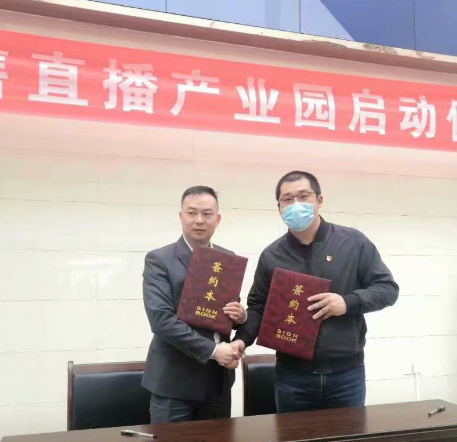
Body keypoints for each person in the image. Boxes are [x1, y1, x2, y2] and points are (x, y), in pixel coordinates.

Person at [232, 170, 399, 412]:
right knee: (293, 433)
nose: (295, 204)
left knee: (348, 433)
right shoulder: (271, 255)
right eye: (287, 199)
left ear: (319, 200)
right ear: (279, 207)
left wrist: (347, 303)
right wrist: (241, 340)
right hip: (292, 376)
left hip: (346, 374)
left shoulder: (353, 242)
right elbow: (258, 307)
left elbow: (387, 289)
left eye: (303, 196)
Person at [142, 185, 246, 423]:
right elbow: (160, 319)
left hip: (218, 381)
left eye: (207, 214)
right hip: (174, 382)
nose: (199, 220)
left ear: (217, 219)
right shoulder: (160, 259)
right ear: (181, 217)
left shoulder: (227, 259)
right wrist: (213, 351)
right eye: (192, 213)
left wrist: (240, 316)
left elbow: (227, 311)